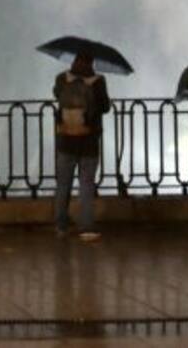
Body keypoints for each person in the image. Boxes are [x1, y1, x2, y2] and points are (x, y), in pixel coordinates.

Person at [53, 48, 111, 240]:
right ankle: (86, 226)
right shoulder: (97, 82)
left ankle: (61, 225)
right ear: (92, 62)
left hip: (65, 139)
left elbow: (56, 94)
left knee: (63, 185)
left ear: (74, 60)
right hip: (88, 142)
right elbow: (105, 107)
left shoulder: (62, 78)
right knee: (86, 185)